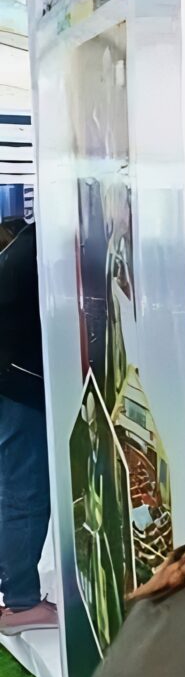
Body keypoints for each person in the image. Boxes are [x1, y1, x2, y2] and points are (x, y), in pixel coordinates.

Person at [0, 221, 56, 635]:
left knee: (16, 489)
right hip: (18, 387)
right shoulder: (38, 246)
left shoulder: (24, 248)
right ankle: (20, 604)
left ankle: (17, 597)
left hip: (13, 383)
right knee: (25, 492)